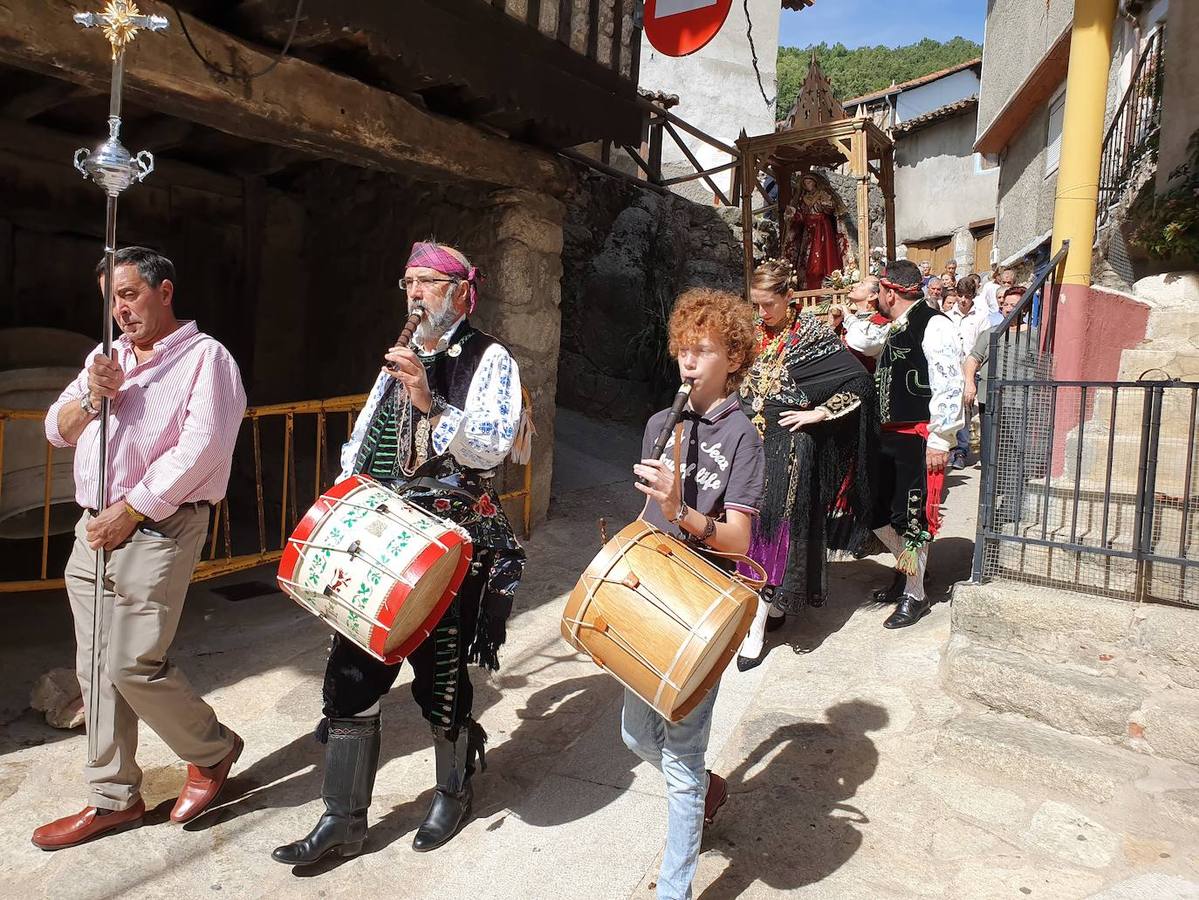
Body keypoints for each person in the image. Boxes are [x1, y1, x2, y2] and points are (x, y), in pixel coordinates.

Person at [272, 241, 527, 864]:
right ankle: (343, 817)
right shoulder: (401, 355)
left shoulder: (490, 359)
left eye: (428, 284)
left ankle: (452, 788)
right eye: (408, 282)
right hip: (386, 539)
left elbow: (491, 449)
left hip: (449, 539)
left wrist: (427, 400)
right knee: (354, 674)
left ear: (462, 292)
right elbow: (363, 437)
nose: (414, 295)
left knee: (441, 677)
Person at [33, 247, 247, 850]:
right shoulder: (106, 360)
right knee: (95, 668)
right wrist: (90, 397)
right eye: (111, 298)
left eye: (128, 294)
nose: (119, 309)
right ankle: (113, 798)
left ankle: (211, 749)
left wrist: (131, 511)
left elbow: (204, 447)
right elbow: (56, 430)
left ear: (164, 291)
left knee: (131, 663)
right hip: (92, 528)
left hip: (157, 526)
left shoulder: (207, 359)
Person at [625, 287, 764, 900]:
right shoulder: (662, 422)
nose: (687, 361)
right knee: (634, 734)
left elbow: (737, 540)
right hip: (652, 593)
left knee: (678, 760)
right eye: (682, 348)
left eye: (702, 350)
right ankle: (709, 789)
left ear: (733, 357)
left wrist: (682, 510)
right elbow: (648, 514)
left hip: (704, 605)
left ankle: (674, 890)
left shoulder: (744, 439)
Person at [735, 259, 877, 669]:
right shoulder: (752, 334)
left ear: (788, 297)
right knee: (742, 530)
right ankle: (770, 606)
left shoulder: (812, 335)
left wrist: (818, 414)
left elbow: (858, 383)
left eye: (767, 305)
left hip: (789, 450)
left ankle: (756, 627)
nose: (761, 313)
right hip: (747, 447)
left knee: (771, 533)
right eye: (755, 304)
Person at [842, 260, 963, 629]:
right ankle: (910, 568)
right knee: (873, 509)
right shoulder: (895, 324)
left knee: (911, 516)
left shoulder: (935, 324)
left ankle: (915, 594)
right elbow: (858, 340)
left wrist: (941, 440)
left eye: (878, 291)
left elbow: (949, 384)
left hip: (919, 438)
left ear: (890, 292)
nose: (876, 297)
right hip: (887, 434)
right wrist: (861, 309)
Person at [945, 278, 990, 469]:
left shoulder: (981, 317)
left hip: (971, 369)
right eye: (960, 295)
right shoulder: (946, 316)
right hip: (952, 369)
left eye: (968, 296)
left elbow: (983, 344)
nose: (963, 300)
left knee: (967, 410)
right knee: (955, 410)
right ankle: (956, 449)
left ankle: (964, 450)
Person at [781, 172, 849, 290]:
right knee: (807, 258)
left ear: (815, 183)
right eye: (805, 183)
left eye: (809, 182)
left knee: (823, 255)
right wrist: (794, 214)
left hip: (822, 229)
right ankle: (808, 285)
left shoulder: (823, 194)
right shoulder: (804, 199)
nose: (807, 185)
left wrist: (825, 205)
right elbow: (802, 216)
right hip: (809, 231)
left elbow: (832, 209)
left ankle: (827, 284)